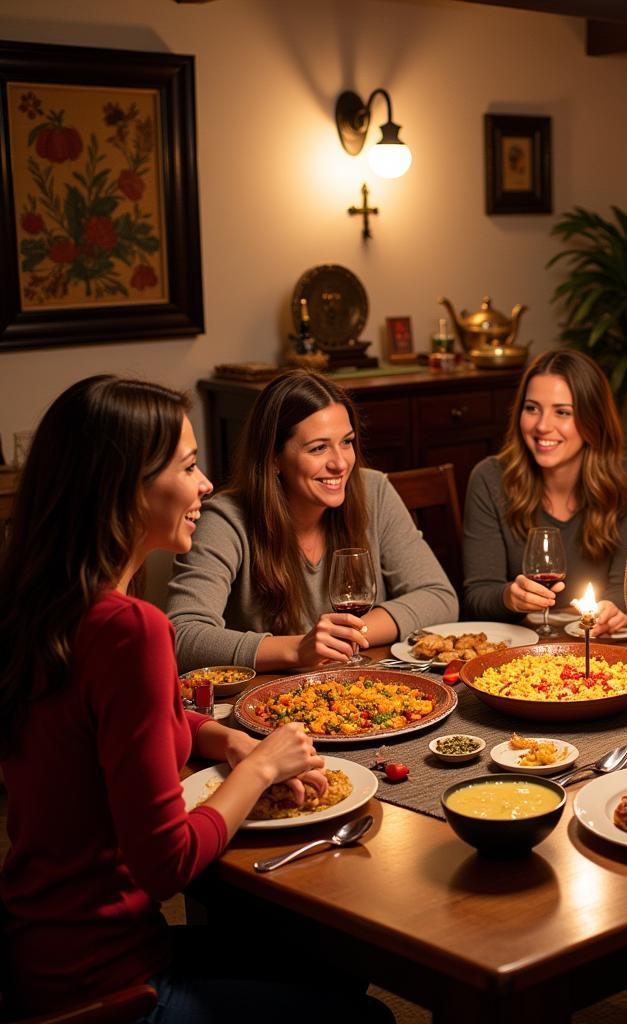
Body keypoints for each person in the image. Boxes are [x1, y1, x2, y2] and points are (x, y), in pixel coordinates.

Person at [0, 376, 391, 1021]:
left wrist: (228, 738)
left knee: (332, 963)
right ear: (126, 486)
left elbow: (114, 723)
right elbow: (167, 862)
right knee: (365, 1015)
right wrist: (263, 766)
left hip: (38, 953)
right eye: (187, 465)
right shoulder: (131, 629)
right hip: (110, 988)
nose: (207, 483)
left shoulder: (49, 608)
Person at [167, 369, 458, 671]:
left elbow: (439, 597)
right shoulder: (225, 519)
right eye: (318, 448)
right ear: (274, 458)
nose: (340, 463)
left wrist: (345, 636)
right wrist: (298, 648)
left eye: (346, 442)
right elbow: (183, 637)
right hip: (271, 701)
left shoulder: (374, 491)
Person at [462, 349, 627, 635]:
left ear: (593, 420)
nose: (542, 426)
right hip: (518, 653)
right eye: (532, 408)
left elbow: (624, 590)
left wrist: (614, 610)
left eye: (562, 412)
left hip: (599, 647)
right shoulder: (489, 479)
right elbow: (478, 595)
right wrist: (509, 597)